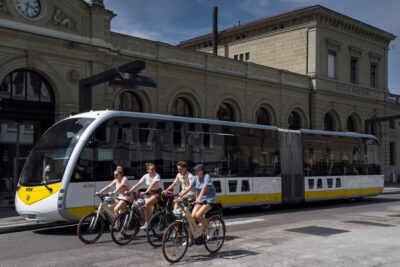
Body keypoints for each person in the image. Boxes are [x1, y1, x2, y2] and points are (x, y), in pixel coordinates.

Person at [180, 164, 217, 244]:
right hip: (200, 200)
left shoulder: (206, 176)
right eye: (195, 170)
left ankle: (211, 228)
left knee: (198, 215)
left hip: (209, 199)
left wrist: (199, 198)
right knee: (192, 217)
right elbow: (189, 188)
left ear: (202, 171)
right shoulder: (195, 178)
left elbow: (204, 188)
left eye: (197, 170)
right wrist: (180, 197)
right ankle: (190, 239)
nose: (195, 172)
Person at [126, 163, 161, 230]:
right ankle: (149, 220)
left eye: (154, 169)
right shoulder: (146, 176)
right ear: (148, 170)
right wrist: (130, 191)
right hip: (149, 193)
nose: (153, 170)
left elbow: (152, 185)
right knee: (141, 207)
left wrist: (146, 192)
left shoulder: (157, 175)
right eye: (151, 169)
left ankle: (147, 223)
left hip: (157, 193)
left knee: (145, 205)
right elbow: (138, 184)